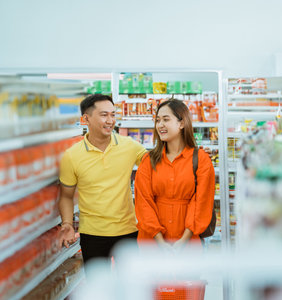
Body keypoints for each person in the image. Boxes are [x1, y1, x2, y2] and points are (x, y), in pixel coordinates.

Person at [58, 94, 147, 266]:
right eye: (104, 115)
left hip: (128, 231)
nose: (110, 120)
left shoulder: (130, 146)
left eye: (113, 114)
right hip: (92, 234)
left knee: (131, 288)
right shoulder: (72, 156)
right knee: (98, 288)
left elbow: (158, 164)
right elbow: (66, 196)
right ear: (86, 119)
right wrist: (67, 224)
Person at [134, 99, 215, 252]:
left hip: (188, 242)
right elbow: (143, 202)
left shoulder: (201, 160)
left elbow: (201, 202)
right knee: (154, 277)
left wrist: (184, 240)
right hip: (151, 242)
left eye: (166, 119)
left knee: (187, 277)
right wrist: (159, 239)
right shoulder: (148, 160)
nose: (160, 125)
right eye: (158, 120)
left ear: (182, 123)